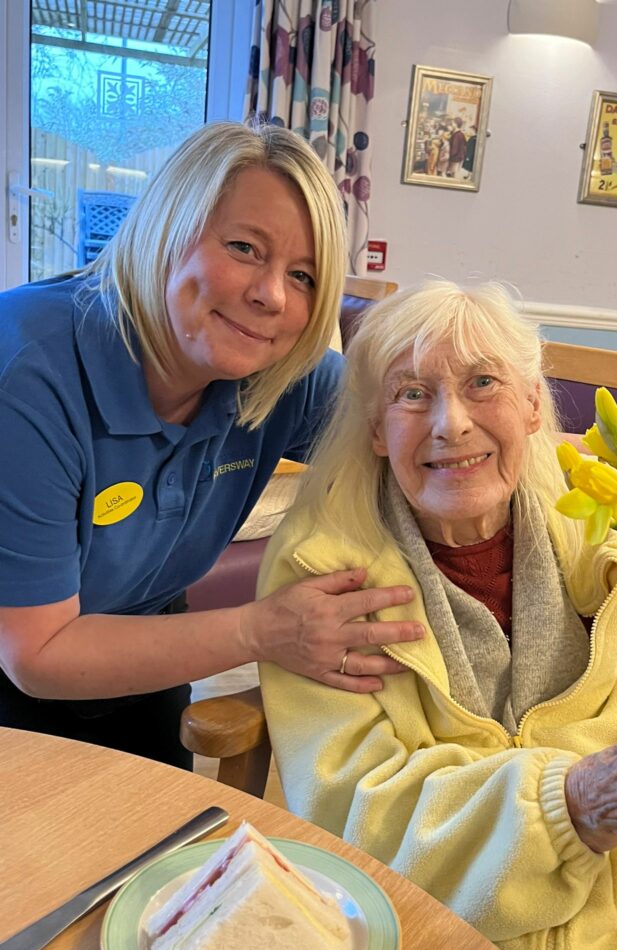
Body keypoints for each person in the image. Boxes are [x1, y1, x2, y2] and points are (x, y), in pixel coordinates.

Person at [257, 280, 617, 950]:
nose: (451, 423)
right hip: (446, 940)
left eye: (482, 384)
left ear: (532, 405)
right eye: (411, 394)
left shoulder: (614, 515)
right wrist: (579, 801)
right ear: (376, 431)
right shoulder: (321, 572)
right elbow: (353, 814)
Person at [0, 121, 425, 768]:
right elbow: (36, 653)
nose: (272, 295)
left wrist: (574, 461)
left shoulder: (280, 375)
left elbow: (425, 428)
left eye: (304, 276)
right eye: (244, 247)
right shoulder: (29, 374)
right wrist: (264, 630)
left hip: (143, 644)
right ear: (166, 226)